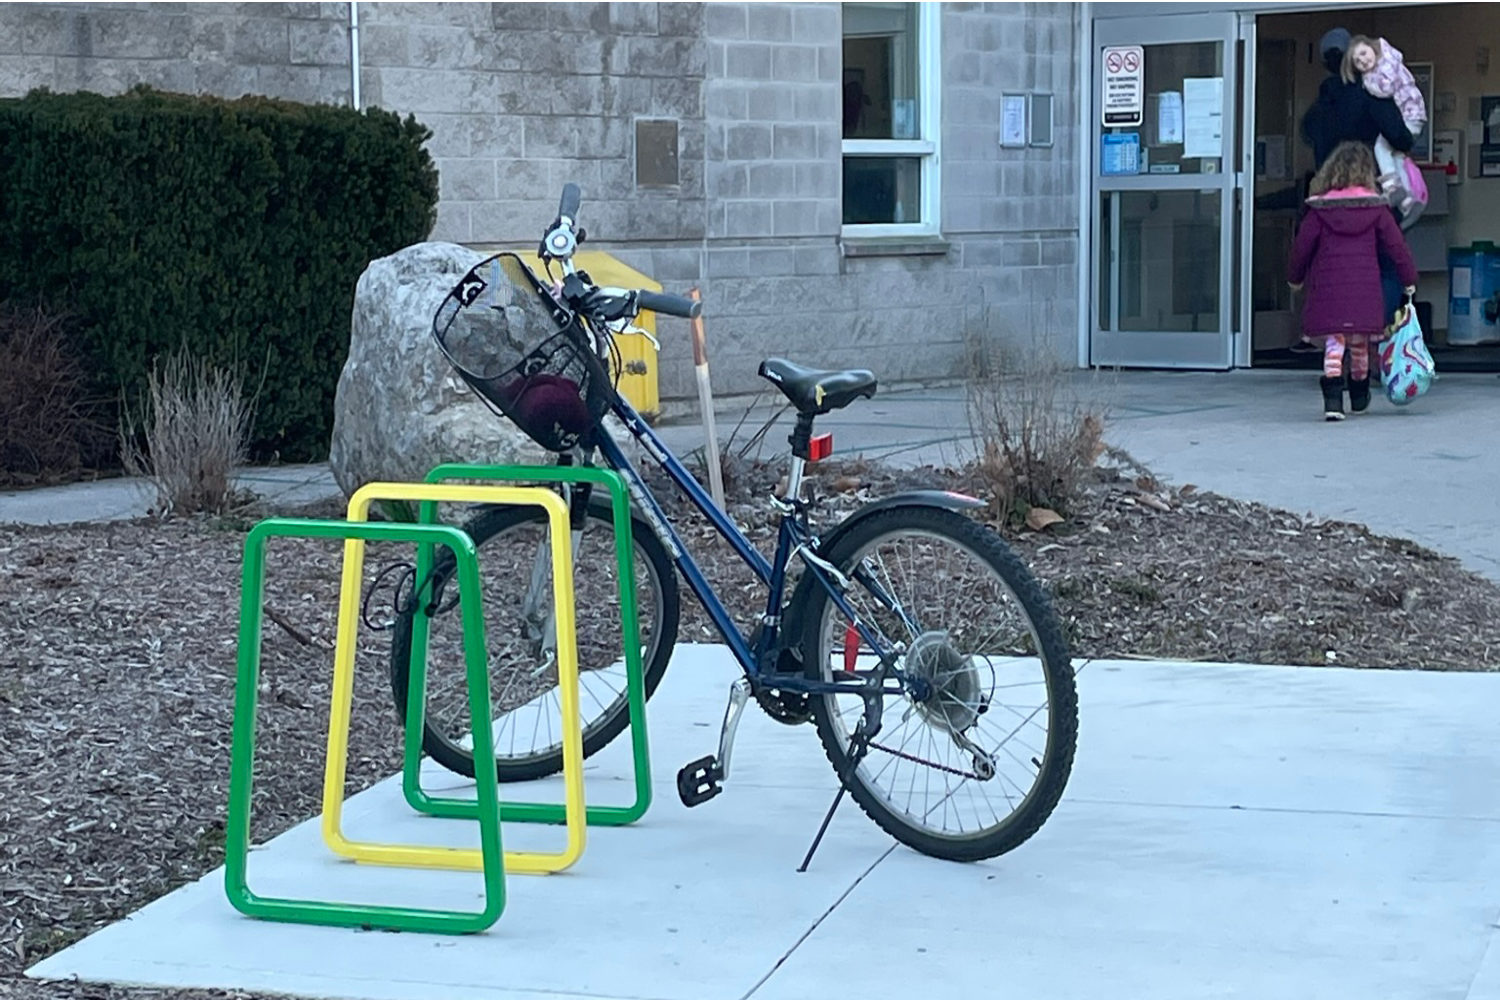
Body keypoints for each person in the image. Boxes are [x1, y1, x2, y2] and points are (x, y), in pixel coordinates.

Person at [1288, 141, 1418, 421]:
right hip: (1365, 293)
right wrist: (1409, 280)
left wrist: (1295, 279)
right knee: (1359, 344)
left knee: (1335, 345)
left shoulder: (1319, 211)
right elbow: (1397, 248)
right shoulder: (1377, 209)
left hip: (1329, 293)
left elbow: (1301, 248)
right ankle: (1359, 394)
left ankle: (1333, 399)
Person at [1299, 27, 1417, 332]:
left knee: (1335, 272)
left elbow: (1308, 135)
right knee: (1386, 267)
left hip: (1330, 193)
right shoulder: (1371, 91)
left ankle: (1338, 351)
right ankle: (1377, 346)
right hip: (1371, 189)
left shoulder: (1320, 107)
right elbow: (1401, 137)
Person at [1345, 35, 1427, 216]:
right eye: (1358, 62)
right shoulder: (1390, 60)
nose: (1363, 61)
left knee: (1381, 148)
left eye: (1364, 53)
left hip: (1410, 114)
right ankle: (1408, 198)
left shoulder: (1386, 66)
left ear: (1372, 47)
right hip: (1414, 114)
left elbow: (1386, 88)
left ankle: (1391, 186)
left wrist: (1366, 84)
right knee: (1395, 155)